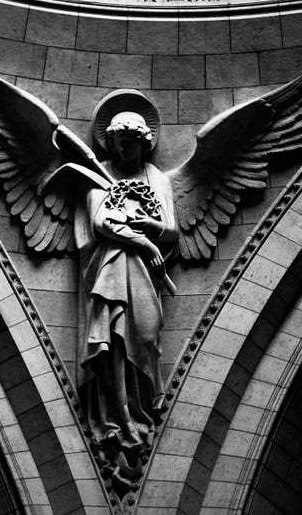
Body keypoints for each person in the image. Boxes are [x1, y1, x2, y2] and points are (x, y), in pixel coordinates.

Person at [76, 111, 178, 493]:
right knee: (113, 343)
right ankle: (116, 423)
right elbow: (101, 222)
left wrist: (152, 227)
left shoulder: (158, 179)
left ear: (145, 143)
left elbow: (172, 229)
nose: (125, 150)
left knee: (145, 336)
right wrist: (146, 242)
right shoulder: (98, 173)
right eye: (120, 144)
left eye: (132, 144)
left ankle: (140, 411)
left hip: (145, 274)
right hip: (111, 269)